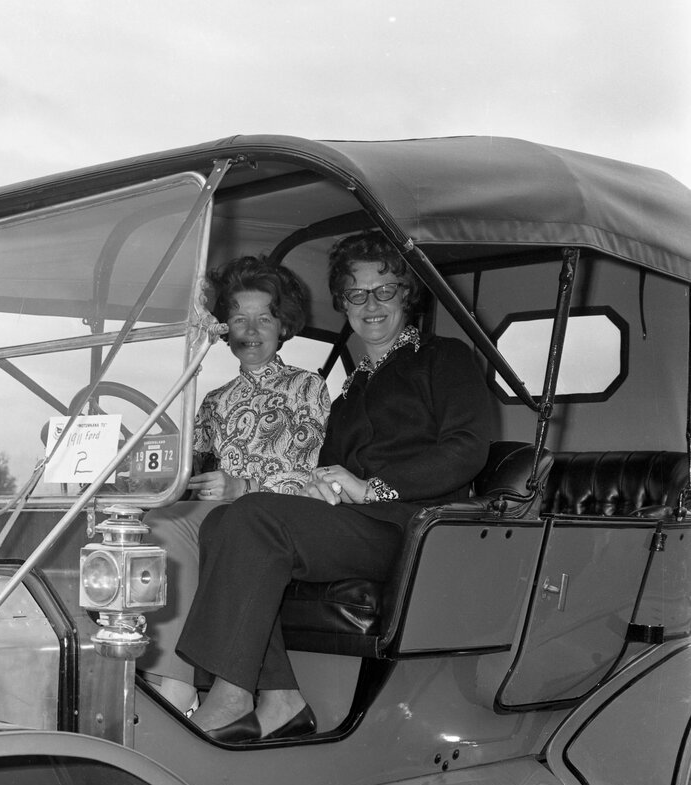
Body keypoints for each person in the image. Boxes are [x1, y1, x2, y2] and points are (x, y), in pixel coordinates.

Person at [176, 231, 494, 742]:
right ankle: (280, 697)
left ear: (406, 295)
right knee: (226, 521)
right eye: (355, 294)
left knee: (250, 515)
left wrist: (373, 488)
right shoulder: (352, 388)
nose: (370, 305)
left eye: (384, 290)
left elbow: (467, 448)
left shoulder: (445, 358)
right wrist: (317, 487)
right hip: (355, 523)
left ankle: (232, 696)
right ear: (343, 303)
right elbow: (323, 472)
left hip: (414, 530)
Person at [141, 255, 331, 714]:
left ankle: (174, 681)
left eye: (264, 317)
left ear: (283, 326)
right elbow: (189, 469)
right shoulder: (214, 400)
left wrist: (242, 485)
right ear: (224, 328)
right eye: (238, 318)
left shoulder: (307, 387)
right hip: (218, 513)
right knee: (142, 521)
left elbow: (306, 473)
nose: (250, 328)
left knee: (168, 525)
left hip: (276, 517)